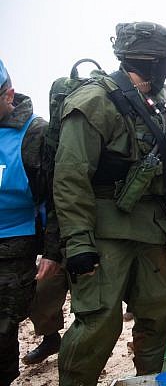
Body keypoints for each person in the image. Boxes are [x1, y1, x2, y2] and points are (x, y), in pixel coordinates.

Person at [53, 22, 166, 384]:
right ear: (146, 63)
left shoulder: (148, 102)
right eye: (165, 63)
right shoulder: (94, 101)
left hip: (148, 227)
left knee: (160, 308)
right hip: (103, 230)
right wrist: (79, 242)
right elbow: (71, 177)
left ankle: (149, 378)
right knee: (99, 322)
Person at [0, 58, 51, 385]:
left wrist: (52, 250)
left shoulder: (34, 133)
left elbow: (55, 197)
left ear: (8, 95)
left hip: (13, 244)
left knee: (3, 324)